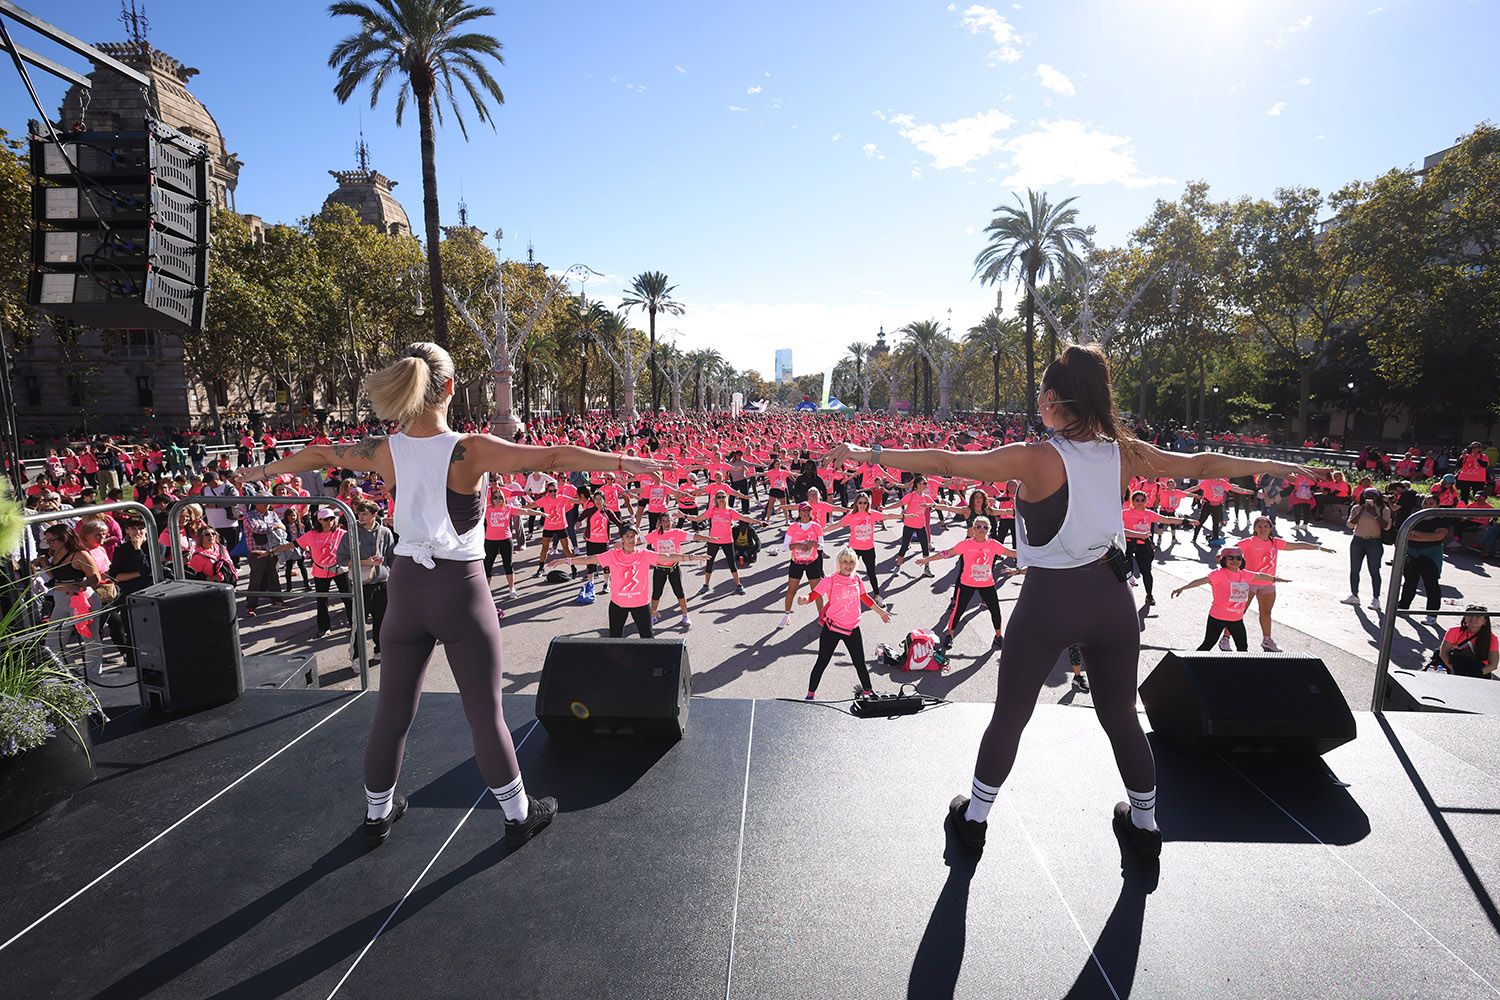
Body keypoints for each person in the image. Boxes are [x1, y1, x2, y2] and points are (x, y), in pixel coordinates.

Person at [823, 343, 1320, 860]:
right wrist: (1272, 464)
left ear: (1056, 399)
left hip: (1048, 599)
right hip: (1112, 598)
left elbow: (950, 461)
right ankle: (1146, 828)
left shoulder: (1037, 457)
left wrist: (868, 454)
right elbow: (1200, 462)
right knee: (1121, 716)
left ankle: (974, 820)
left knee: (1011, 716)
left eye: (1041, 394)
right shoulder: (1125, 451)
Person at [233, 342, 666, 848]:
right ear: (450, 388)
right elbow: (550, 455)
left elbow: (322, 452)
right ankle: (518, 815)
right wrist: (626, 462)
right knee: (484, 714)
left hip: (405, 589)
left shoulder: (382, 449)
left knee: (392, 710)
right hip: (461, 589)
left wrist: (258, 473)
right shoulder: (470, 448)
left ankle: (377, 814)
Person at [796, 546, 891, 699]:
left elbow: (865, 597)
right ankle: (810, 694)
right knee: (822, 662)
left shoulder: (857, 579)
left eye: (851, 562)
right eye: (845, 562)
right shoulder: (830, 580)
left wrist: (881, 613)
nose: (848, 565)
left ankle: (868, 690)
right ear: (839, 563)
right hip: (832, 629)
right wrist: (804, 600)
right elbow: (814, 594)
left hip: (852, 629)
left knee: (859, 663)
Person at [551, 525, 670, 637]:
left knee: (648, 638)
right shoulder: (613, 555)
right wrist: (567, 561)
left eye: (633, 535)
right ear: (622, 538)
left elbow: (668, 557)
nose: (631, 538)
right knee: (614, 638)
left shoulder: (644, 554)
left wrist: (687, 557)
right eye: (627, 536)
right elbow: (590, 559)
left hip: (640, 604)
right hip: (618, 605)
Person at [916, 517, 1013, 649]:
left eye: (985, 527)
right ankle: (950, 635)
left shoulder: (993, 544)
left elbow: (1011, 553)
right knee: (958, 610)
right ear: (973, 529)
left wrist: (1035, 556)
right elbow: (947, 553)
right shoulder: (966, 544)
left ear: (989, 530)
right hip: (967, 583)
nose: (981, 530)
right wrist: (927, 559)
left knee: (995, 610)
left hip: (987, 584)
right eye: (978, 527)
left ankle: (998, 636)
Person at [1237, 516, 1332, 651]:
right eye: (1259, 526)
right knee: (1240, 611)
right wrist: (1220, 555)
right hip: (1249, 582)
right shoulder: (1250, 542)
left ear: (1271, 528)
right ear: (1254, 529)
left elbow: (1297, 545)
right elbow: (1231, 549)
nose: (1262, 529)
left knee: (1266, 612)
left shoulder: (1275, 542)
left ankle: (1267, 639)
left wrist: (1318, 547)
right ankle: (1226, 638)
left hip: (1268, 583)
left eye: (1265, 526)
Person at [1171, 546, 1282, 651]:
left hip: (1236, 619)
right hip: (1218, 617)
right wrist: (1182, 588)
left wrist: (1274, 579)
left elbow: (1259, 575)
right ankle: (1192, 664)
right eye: (1231, 558)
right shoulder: (1219, 574)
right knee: (1208, 643)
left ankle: (1242, 671)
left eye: (1238, 558)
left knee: (1243, 647)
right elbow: (1201, 581)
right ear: (1224, 560)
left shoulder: (1244, 574)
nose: (1235, 561)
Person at [1121, 490, 1193, 607]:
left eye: (1142, 500)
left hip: (1144, 545)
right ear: (1132, 501)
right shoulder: (1125, 513)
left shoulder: (1149, 513)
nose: (1139, 502)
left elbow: (1167, 520)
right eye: (1137, 500)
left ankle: (1149, 595)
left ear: (1146, 501)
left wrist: (1187, 521)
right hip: (1128, 545)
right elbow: (1119, 530)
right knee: (1126, 572)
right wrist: (1137, 534)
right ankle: (1124, 597)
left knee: (1146, 571)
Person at [341, 500, 395, 658]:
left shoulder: (385, 532)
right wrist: (366, 562)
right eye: (359, 513)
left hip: (383, 583)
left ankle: (379, 649)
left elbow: (392, 557)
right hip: (361, 583)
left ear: (374, 514)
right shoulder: (351, 532)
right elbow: (341, 559)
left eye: (364, 513)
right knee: (358, 622)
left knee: (382, 621)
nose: (360, 516)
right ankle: (356, 656)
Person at [824, 491, 897, 601]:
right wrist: (821, 531)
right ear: (856, 504)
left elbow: (888, 516)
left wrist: (904, 515)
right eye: (860, 503)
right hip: (854, 550)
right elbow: (837, 525)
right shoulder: (851, 516)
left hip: (869, 549)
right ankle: (847, 595)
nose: (862, 505)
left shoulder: (872, 514)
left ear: (868, 504)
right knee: (849, 572)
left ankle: (877, 595)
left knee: (871, 573)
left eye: (865, 503)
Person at [693, 492, 764, 596]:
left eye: (723, 497)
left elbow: (744, 518)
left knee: (732, 564)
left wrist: (758, 522)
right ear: (716, 499)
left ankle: (739, 585)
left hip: (727, 541)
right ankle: (706, 585)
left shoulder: (730, 511)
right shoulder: (712, 510)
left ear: (726, 498)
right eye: (718, 497)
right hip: (713, 540)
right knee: (709, 564)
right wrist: (685, 516)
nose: (721, 499)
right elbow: (698, 518)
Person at [1397, 495, 1452, 625]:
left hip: (1431, 555)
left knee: (1431, 584)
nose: (1427, 505)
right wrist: (1426, 537)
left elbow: (1438, 536)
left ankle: (1432, 614)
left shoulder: (1442, 518)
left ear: (1437, 505)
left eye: (1431, 503)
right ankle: (1403, 606)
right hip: (1412, 553)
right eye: (1425, 502)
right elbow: (1406, 534)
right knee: (1409, 582)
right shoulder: (1415, 517)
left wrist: (1418, 534)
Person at [645, 511, 703, 629]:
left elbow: (694, 536)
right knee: (656, 593)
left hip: (674, 568)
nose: (666, 524)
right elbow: (639, 540)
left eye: (668, 521)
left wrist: (710, 538)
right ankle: (653, 615)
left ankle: (685, 616)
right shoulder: (654, 534)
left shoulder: (677, 533)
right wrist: (622, 543)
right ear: (660, 523)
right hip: (660, 568)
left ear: (672, 522)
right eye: (664, 521)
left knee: (679, 592)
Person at [1343, 487, 1393, 611]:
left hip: (1374, 542)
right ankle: (1354, 595)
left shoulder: (1383, 509)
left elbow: (1387, 527)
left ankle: (1376, 599)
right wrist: (1361, 511)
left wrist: (1374, 514)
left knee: (1374, 570)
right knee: (1354, 569)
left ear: (1378, 497)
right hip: (1358, 540)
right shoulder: (1356, 508)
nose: (1369, 498)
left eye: (1372, 496)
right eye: (1367, 495)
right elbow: (1350, 525)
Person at [778, 501, 826, 629]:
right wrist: (798, 545)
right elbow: (785, 546)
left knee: (816, 591)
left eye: (808, 511)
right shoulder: (793, 527)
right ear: (799, 512)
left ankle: (821, 616)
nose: (806, 513)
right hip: (796, 562)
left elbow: (822, 545)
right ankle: (786, 615)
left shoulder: (816, 527)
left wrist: (814, 544)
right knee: (791, 590)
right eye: (803, 511)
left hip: (812, 562)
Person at [1434, 606, 1496, 678]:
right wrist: (1455, 670)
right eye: (1470, 615)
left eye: (1478, 616)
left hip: (1479, 670)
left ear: (1485, 620)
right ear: (1465, 618)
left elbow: (1493, 664)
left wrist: (1476, 674)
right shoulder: (1453, 631)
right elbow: (1443, 653)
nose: (1473, 618)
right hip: (1454, 667)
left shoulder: (1491, 638)